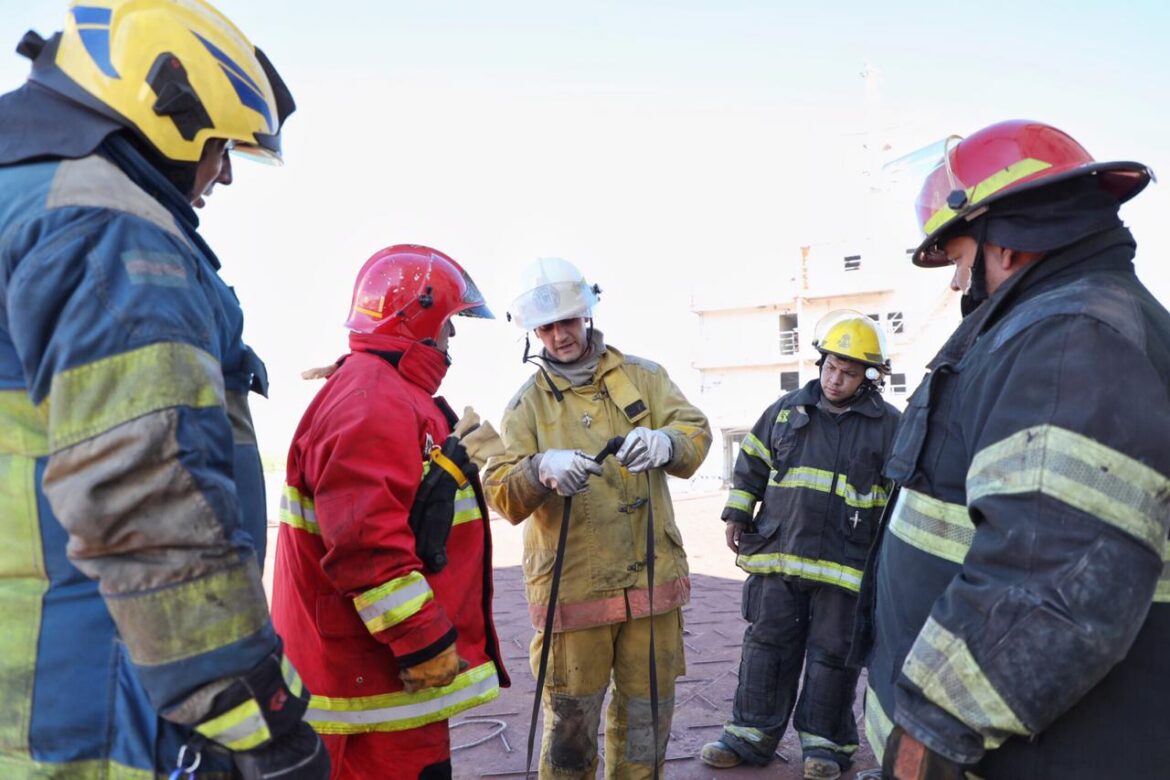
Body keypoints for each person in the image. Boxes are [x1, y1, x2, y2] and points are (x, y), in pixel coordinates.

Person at [0, 1, 327, 778]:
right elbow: (145, 494)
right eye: (219, 147)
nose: (222, 174)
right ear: (168, 112)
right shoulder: (105, 227)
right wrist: (258, 719)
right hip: (89, 706)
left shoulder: (25, 205)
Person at [856, 119, 1170, 779]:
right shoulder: (1067, 323)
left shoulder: (1071, 340)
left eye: (961, 256)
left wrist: (928, 737)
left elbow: (1052, 579)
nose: (956, 282)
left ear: (1010, 244)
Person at [272, 244, 509, 780]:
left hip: (378, 682)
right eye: (450, 327)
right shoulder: (374, 401)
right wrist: (424, 640)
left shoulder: (382, 390)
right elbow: (366, 545)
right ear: (419, 320)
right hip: (376, 688)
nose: (451, 343)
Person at [483, 257, 712, 779]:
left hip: (651, 591)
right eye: (547, 327)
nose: (560, 336)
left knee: (646, 719)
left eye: (568, 322)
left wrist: (666, 442)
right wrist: (540, 469)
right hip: (574, 597)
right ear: (532, 332)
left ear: (587, 315)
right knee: (571, 730)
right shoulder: (526, 408)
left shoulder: (645, 380)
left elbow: (696, 436)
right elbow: (502, 493)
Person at [699, 311, 901, 780]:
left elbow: (900, 495)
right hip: (778, 558)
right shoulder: (787, 411)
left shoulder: (890, 426)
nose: (835, 378)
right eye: (830, 366)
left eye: (849, 372)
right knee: (766, 646)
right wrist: (737, 511)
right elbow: (752, 462)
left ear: (870, 377)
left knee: (833, 654)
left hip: (844, 567)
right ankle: (748, 736)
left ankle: (825, 746)